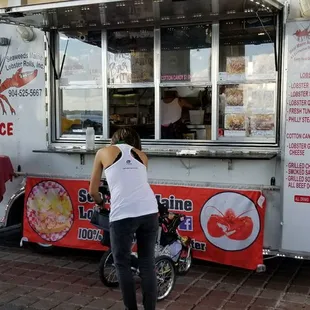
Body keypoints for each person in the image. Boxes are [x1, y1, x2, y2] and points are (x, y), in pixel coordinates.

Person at [89, 127, 158, 310]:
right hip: (149, 210)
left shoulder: (103, 152)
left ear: (114, 139)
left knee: (122, 263)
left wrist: (101, 202)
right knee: (147, 263)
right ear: (135, 142)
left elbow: (93, 191)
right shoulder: (142, 156)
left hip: (123, 213)